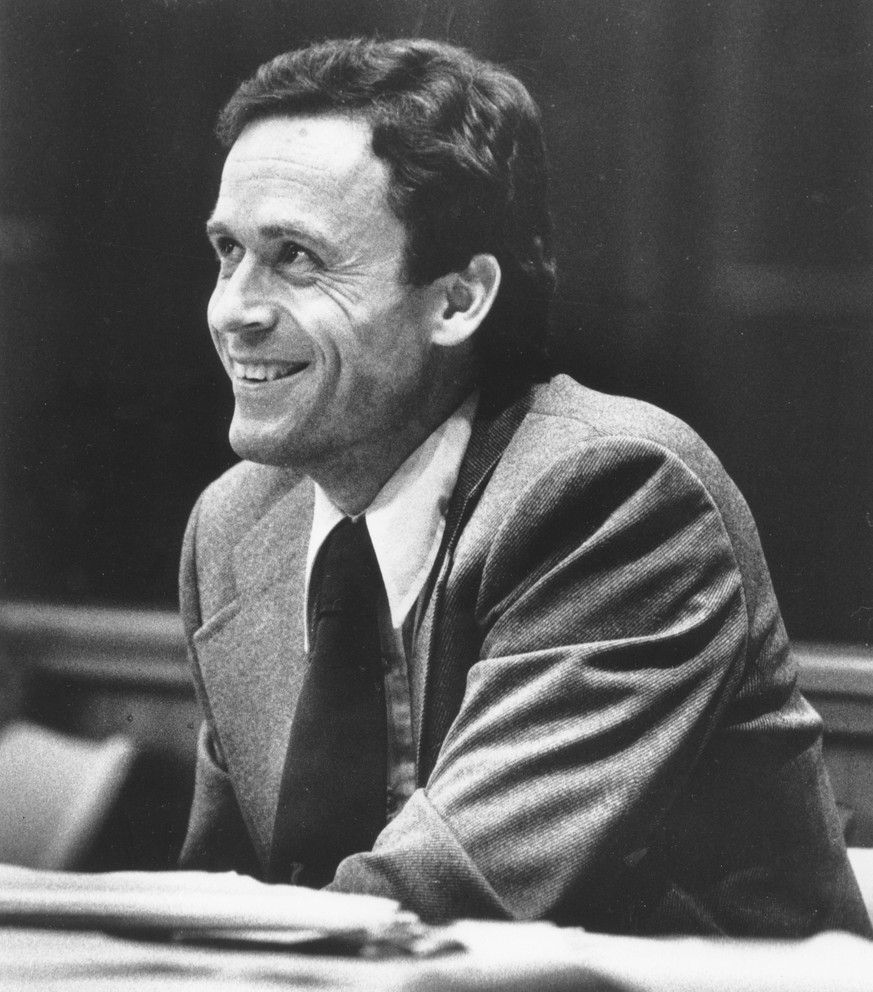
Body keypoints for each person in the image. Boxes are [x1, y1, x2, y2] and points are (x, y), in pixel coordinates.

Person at [178, 36, 871, 936]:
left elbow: (447, 894)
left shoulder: (613, 490)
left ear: (459, 300)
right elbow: (215, 897)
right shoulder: (238, 520)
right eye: (228, 251)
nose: (235, 307)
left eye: (298, 259)